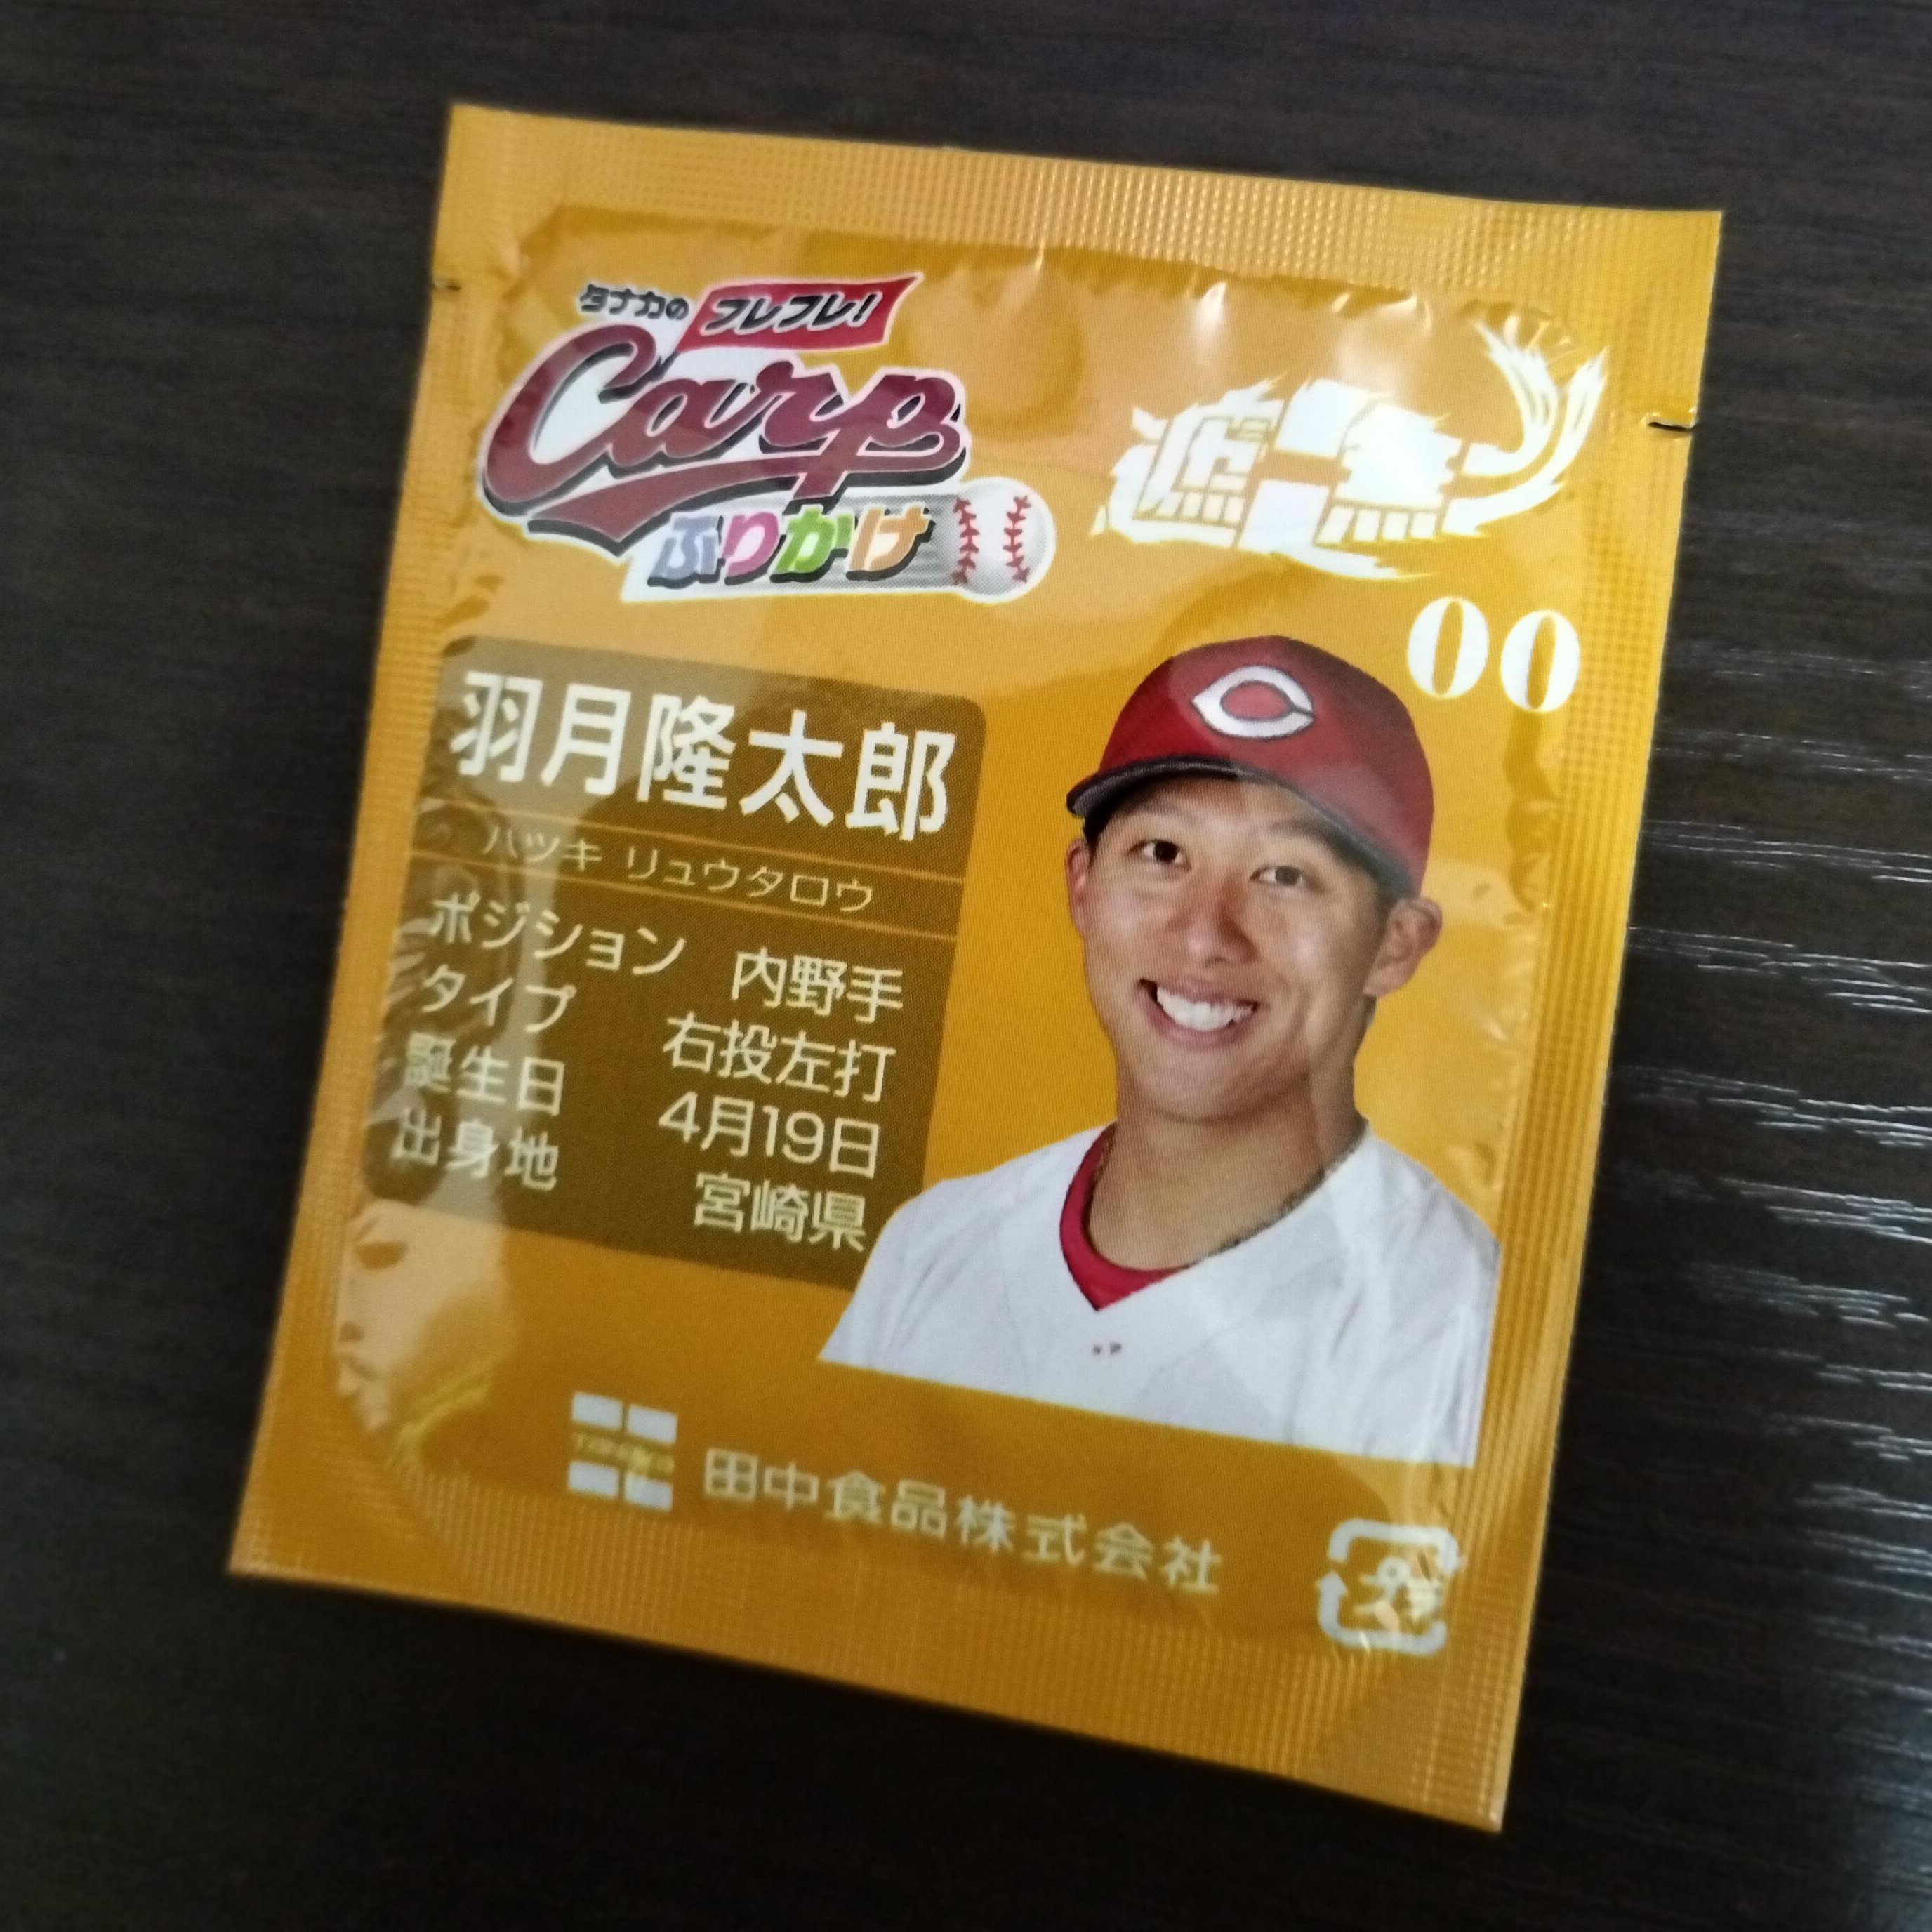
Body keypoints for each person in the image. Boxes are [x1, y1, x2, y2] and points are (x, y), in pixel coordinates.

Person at [819, 635, 1500, 1464]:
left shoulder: (1454, 1318)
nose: (1205, 934)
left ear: (1395, 943)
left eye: (1285, 875)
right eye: (1164, 854)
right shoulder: (933, 1243)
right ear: (1082, 884)